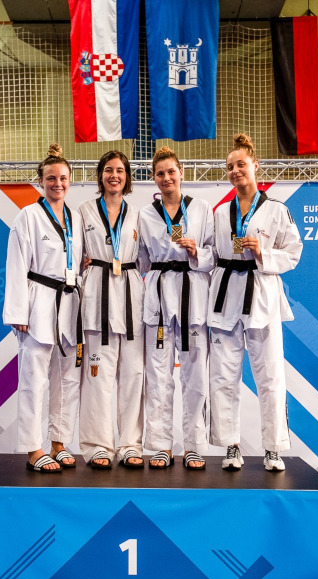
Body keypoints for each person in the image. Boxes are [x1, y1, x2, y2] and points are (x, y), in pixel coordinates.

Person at [208, 133, 303, 471]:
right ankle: (230, 446)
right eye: (230, 167)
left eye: (241, 165)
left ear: (255, 167)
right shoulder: (220, 214)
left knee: (271, 375)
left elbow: (293, 254)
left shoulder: (277, 210)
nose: (236, 171)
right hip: (226, 297)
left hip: (262, 296)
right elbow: (211, 254)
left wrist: (263, 252)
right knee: (223, 375)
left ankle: (273, 448)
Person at [3, 144, 84, 472]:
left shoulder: (75, 218)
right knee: (34, 377)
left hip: (68, 302)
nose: (58, 183)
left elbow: (77, 258)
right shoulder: (28, 217)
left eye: (63, 178)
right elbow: (16, 264)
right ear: (40, 181)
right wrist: (18, 313)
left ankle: (59, 442)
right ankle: (34, 448)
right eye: (51, 178)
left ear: (70, 180)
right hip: (38, 302)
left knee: (67, 377)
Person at [136, 146, 214, 470]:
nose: (166, 178)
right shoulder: (145, 215)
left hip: (192, 297)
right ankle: (159, 445)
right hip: (157, 300)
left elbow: (215, 255)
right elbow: (141, 260)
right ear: (153, 179)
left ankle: (193, 445)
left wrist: (197, 252)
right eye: (160, 173)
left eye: (171, 171)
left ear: (181, 172)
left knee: (195, 375)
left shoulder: (202, 209)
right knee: (157, 374)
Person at [78, 150, 145, 469]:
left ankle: (130, 444)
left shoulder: (139, 214)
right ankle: (97, 446)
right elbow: (73, 253)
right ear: (100, 175)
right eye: (108, 170)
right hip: (98, 299)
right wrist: (82, 265)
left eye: (119, 170)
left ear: (127, 176)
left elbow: (146, 257)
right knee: (98, 377)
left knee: (133, 376)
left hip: (132, 299)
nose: (114, 175)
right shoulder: (83, 211)